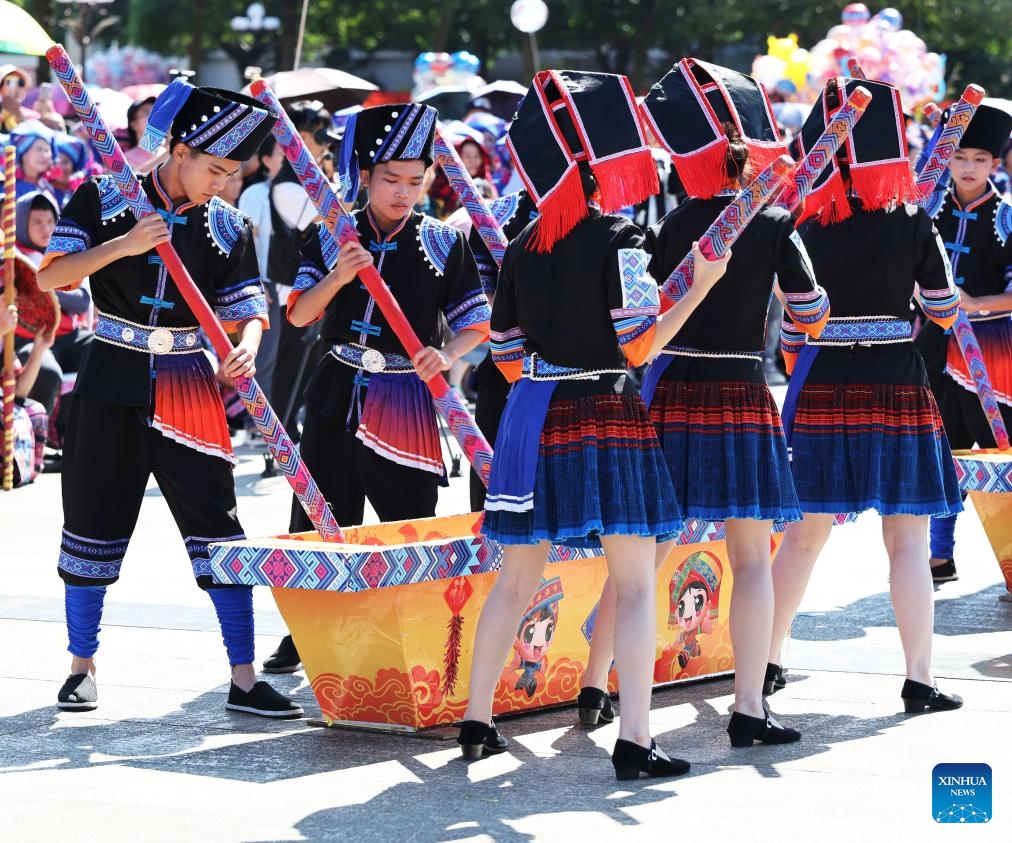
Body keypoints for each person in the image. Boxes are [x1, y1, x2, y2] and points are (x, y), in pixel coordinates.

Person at [459, 69, 729, 780]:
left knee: (514, 581)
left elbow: (508, 356)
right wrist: (697, 288)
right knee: (636, 583)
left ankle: (478, 721)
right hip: (604, 409)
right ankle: (635, 738)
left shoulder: (521, 245)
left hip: (532, 412)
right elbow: (640, 343)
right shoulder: (622, 236)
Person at [35, 78, 302, 718]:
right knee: (93, 515)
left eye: (231, 172)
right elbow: (50, 275)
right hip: (110, 374)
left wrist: (245, 344)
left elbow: (250, 308)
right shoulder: (104, 197)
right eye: (212, 168)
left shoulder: (228, 226)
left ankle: (243, 678)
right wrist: (125, 244)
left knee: (218, 523)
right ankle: (81, 667)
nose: (221, 183)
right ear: (177, 150)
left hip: (188, 380)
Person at [584, 59, 827, 748]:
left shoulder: (671, 222)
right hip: (742, 391)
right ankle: (748, 705)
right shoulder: (776, 219)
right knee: (751, 557)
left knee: (643, 558)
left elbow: (644, 317)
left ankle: (594, 684)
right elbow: (809, 312)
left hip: (673, 391)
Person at [263, 102, 490, 674]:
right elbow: (297, 315)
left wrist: (448, 352)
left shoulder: (444, 242)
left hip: (406, 394)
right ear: (365, 176)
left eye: (416, 181)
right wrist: (340, 274)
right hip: (338, 386)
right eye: (391, 180)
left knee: (408, 517)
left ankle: (414, 631)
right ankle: (306, 632)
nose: (403, 192)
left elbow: (476, 321)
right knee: (319, 517)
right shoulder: (328, 234)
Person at [768, 77, 964, 714]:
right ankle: (919, 678)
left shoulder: (803, 222)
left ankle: (767, 661)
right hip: (897, 384)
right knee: (906, 541)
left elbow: (796, 322)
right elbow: (940, 308)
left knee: (803, 537)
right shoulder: (911, 218)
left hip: (824, 380)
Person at [914, 101, 1012, 583]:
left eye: (979, 159)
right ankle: (939, 554)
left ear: (996, 163)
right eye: (960, 157)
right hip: (934, 343)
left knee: (1003, 450)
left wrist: (972, 304)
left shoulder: (1008, 216)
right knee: (942, 446)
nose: (968, 167)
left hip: (994, 351)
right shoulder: (927, 211)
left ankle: (1010, 557)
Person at [465, 186, 538, 511]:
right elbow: (477, 296)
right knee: (491, 496)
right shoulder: (495, 215)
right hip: (505, 368)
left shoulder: (602, 222)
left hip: (575, 375)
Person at [237, 135, 287, 404]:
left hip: (296, 288)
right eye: (282, 154)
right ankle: (256, 421)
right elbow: (247, 243)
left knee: (289, 359)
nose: (290, 159)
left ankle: (284, 420)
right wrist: (256, 282)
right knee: (264, 359)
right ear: (266, 160)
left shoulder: (300, 194)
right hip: (266, 286)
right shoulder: (255, 194)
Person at [11, 119, 57, 199]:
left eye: (46, 150)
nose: (44, 155)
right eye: (39, 149)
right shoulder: (10, 187)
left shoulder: (47, 187)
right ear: (23, 153)